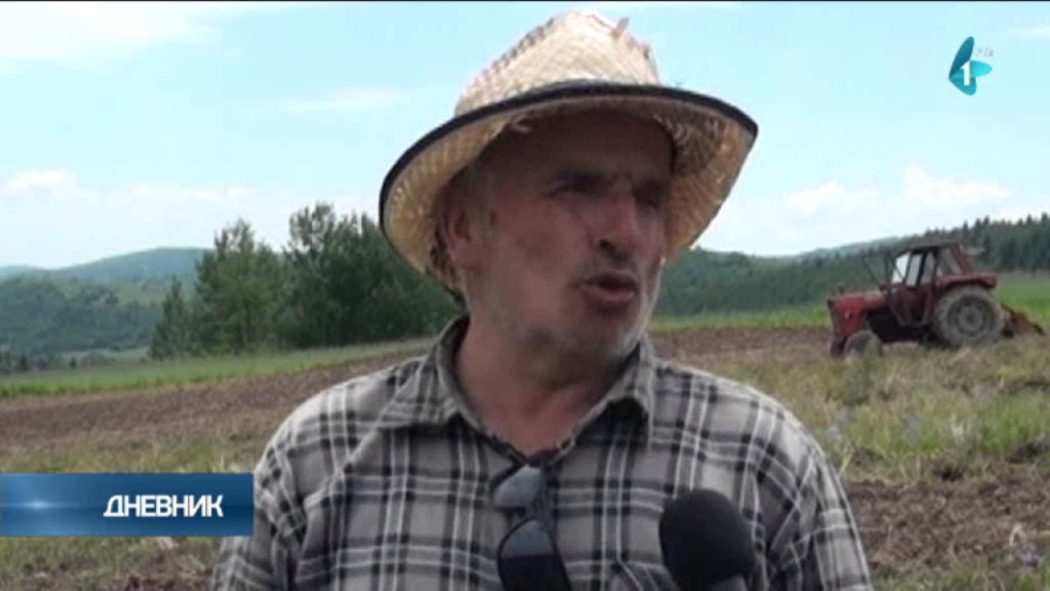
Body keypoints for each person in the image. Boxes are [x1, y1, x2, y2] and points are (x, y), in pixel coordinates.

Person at [212, 9, 872, 590]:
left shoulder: (764, 463)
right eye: (578, 187)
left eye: (649, 197)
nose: (626, 232)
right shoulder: (313, 465)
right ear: (462, 227)